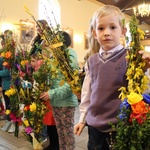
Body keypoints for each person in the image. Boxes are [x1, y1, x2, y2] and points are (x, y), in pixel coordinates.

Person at [73, 5, 133, 150]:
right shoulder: (92, 61)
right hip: (95, 126)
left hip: (120, 125)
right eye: (101, 28)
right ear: (94, 33)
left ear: (123, 31)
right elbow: (87, 93)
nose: (107, 33)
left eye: (113, 27)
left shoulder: (130, 57)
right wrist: (82, 119)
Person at [40, 31, 79, 150]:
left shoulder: (70, 58)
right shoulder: (55, 58)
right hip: (56, 102)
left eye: (53, 41)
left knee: (67, 137)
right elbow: (52, 79)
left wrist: (51, 93)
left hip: (66, 103)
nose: (51, 44)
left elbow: (71, 85)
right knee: (61, 136)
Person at [30, 53, 59, 150]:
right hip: (44, 98)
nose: (31, 63)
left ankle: (55, 145)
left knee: (52, 123)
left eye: (33, 61)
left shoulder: (48, 69)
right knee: (48, 122)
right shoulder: (38, 70)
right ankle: (52, 143)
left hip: (50, 98)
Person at [0, 30, 14, 133]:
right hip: (4, 83)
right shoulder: (3, 53)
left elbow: (8, 72)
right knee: (7, 104)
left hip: (11, 83)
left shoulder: (11, 53)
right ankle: (9, 121)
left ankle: (13, 122)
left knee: (11, 104)